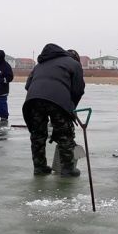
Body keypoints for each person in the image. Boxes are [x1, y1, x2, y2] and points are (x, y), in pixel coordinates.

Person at [22, 43, 85, 177]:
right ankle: (68, 169)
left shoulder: (39, 65)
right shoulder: (74, 64)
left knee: (37, 135)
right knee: (65, 134)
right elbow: (78, 90)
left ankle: (39, 167)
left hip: (33, 100)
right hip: (58, 100)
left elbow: (28, 85)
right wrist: (71, 107)